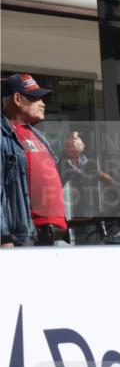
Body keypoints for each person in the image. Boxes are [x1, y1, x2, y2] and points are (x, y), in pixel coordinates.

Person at [1, 74, 74, 247]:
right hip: (22, 237)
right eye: (35, 98)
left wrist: (72, 156)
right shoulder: (3, 136)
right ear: (17, 98)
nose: (43, 103)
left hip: (53, 234)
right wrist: (3, 237)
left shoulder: (38, 135)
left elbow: (53, 181)